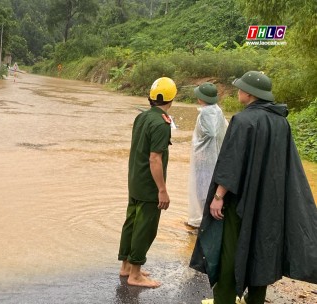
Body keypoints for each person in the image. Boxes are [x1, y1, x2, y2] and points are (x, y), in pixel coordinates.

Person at [190, 71, 317, 303]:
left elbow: (232, 163)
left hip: (241, 202)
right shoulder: (281, 122)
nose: (238, 91)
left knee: (229, 253)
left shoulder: (243, 120)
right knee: (262, 251)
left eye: (240, 88)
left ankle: (225, 298)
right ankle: (255, 300)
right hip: (270, 201)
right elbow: (284, 166)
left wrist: (218, 196)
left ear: (248, 93)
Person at [118, 77, 177, 288]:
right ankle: (135, 274)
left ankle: (126, 266)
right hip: (149, 186)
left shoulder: (141, 117)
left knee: (131, 223)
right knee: (146, 227)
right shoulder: (162, 123)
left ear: (150, 97)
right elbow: (155, 158)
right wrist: (162, 190)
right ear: (172, 98)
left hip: (135, 180)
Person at [186, 82, 228, 229]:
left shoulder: (205, 112)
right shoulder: (217, 110)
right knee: (207, 189)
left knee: (202, 191)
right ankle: (204, 222)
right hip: (214, 159)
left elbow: (211, 133)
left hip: (205, 160)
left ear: (201, 98)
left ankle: (204, 225)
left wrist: (203, 149)